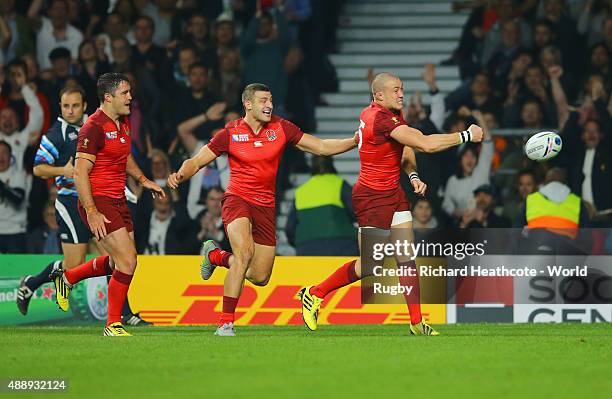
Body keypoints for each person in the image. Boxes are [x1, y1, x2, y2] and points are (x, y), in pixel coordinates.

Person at [298, 72, 484, 335]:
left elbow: (406, 148)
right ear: (379, 95)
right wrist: (466, 136)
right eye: (396, 89)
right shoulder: (381, 119)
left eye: (402, 88)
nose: (401, 94)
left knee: (406, 258)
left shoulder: (385, 113)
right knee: (371, 266)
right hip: (372, 198)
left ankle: (417, 322)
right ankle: (315, 293)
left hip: (393, 193)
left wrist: (413, 175)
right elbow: (424, 144)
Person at [167, 83, 358, 336]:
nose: (269, 105)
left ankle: (215, 256)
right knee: (244, 253)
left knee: (259, 277)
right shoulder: (231, 133)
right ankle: (225, 323)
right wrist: (180, 175)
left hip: (266, 207)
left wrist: (356, 140)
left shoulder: (281, 128)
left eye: (270, 100)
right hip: (237, 199)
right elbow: (198, 160)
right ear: (248, 104)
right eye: (263, 101)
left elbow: (321, 147)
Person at [16, 85, 150, 326]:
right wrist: (64, 170)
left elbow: (118, 155)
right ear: (60, 107)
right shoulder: (55, 135)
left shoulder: (99, 124)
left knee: (117, 256)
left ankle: (124, 313)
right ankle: (32, 283)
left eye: (75, 105)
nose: (70, 110)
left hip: (99, 199)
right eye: (66, 106)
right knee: (74, 263)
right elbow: (38, 168)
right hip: (70, 201)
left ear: (84, 105)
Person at [49, 73, 164, 337]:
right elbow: (79, 173)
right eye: (125, 93)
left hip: (119, 200)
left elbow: (124, 157)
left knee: (118, 262)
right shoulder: (93, 127)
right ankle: (113, 324)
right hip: (99, 201)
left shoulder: (122, 122)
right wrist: (91, 211)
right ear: (108, 97)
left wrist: (144, 180)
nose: (130, 98)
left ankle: (67, 278)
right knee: (127, 261)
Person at [285, 155, 358, 256]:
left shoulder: (300, 192)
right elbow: (358, 214)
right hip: (342, 245)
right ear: (331, 164)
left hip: (306, 248)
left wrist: (301, 242)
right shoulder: (340, 185)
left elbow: (290, 229)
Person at [0, 140, 28, 253]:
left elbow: (18, 199)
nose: (0, 156)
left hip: (15, 231)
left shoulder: (18, 175)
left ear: (10, 156)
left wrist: (3, 187)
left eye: (4, 152)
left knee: (16, 269)